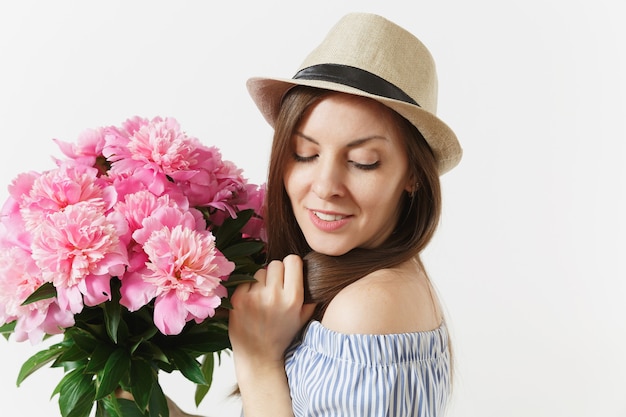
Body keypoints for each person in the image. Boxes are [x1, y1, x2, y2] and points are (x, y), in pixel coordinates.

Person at [229, 12, 462, 417]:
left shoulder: (368, 310)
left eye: (363, 161)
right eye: (305, 154)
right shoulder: (352, 280)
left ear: (413, 176)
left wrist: (258, 364)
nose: (324, 186)